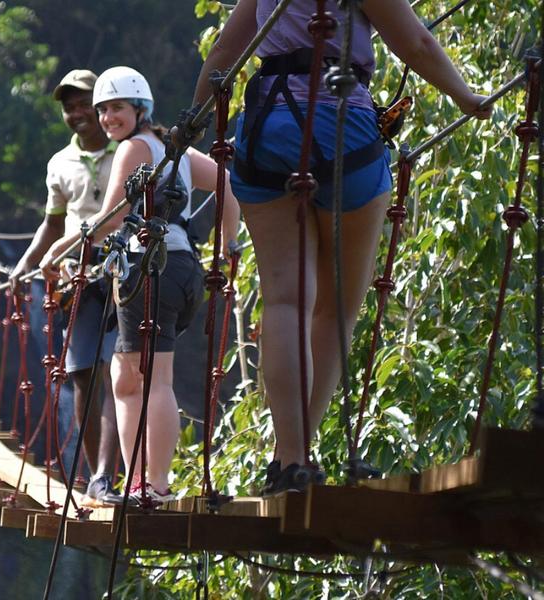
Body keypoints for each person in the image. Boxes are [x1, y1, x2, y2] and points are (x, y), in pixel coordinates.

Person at [191, 0, 492, 494]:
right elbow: (414, 42)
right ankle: (302, 453)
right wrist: (464, 97)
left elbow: (227, 47)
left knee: (285, 299)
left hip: (266, 127)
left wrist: (193, 123)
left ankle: (290, 461)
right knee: (336, 311)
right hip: (341, 130)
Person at [40, 66, 241, 504]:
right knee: (152, 377)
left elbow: (109, 218)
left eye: (117, 108)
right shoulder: (175, 150)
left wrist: (59, 252)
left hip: (147, 270)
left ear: (139, 108)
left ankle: (144, 483)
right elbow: (225, 183)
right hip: (183, 268)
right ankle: (154, 482)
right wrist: (224, 246)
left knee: (131, 381)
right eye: (104, 110)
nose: (109, 117)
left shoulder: (133, 149)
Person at [10, 69, 120, 505]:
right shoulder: (60, 163)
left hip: (123, 268)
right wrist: (25, 265)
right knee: (81, 374)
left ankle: (108, 478)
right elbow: (53, 223)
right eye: (68, 106)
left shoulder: (128, 148)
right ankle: (96, 477)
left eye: (83, 103)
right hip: (76, 274)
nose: (76, 113)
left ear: (101, 105)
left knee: (117, 371)